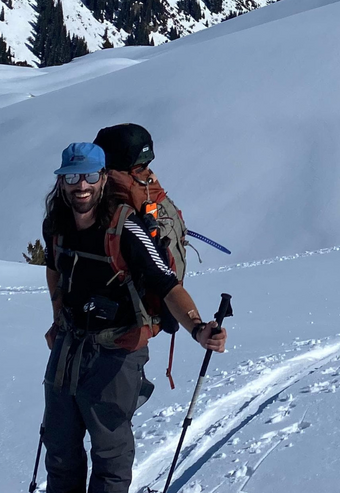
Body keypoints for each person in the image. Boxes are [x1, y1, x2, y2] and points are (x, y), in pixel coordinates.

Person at [41, 142, 226, 493]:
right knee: (60, 449)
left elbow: (166, 284)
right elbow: (54, 269)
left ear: (103, 180)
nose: (81, 185)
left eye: (90, 176)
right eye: (72, 176)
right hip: (69, 344)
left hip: (117, 350)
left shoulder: (126, 228)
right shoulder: (57, 223)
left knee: (110, 454)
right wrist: (56, 318)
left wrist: (198, 327)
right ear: (62, 181)